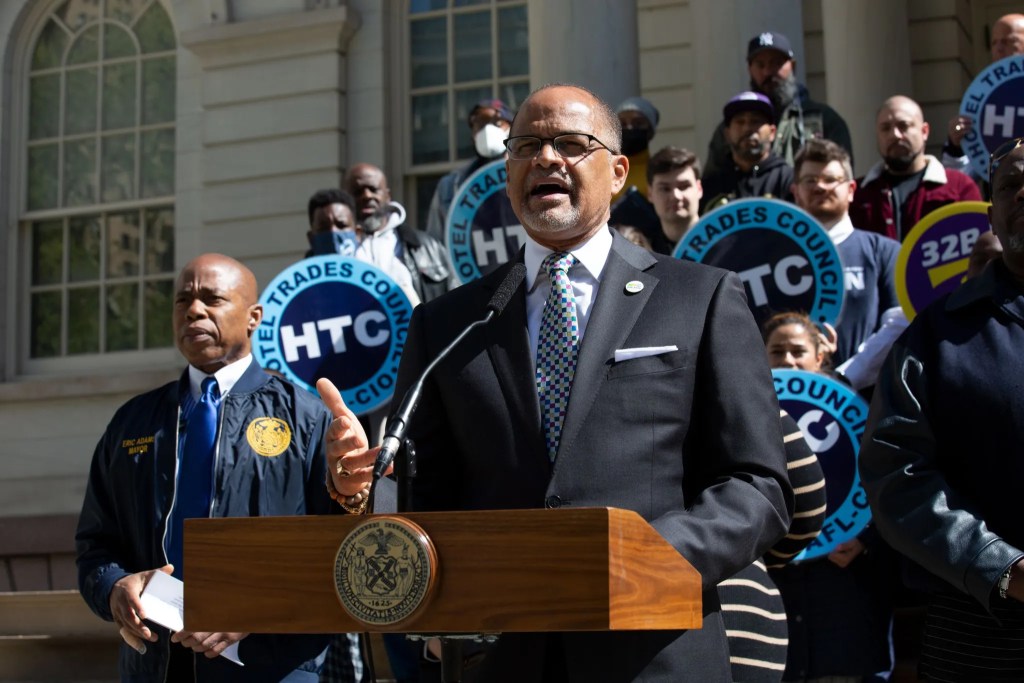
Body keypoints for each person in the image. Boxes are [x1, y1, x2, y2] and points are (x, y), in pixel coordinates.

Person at [321, 82, 793, 682]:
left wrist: (647, 558)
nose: (545, 158)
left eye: (570, 144)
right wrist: (368, 492)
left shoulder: (700, 297)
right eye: (526, 146)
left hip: (654, 651)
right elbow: (428, 493)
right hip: (500, 657)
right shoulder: (449, 322)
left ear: (617, 172)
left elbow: (757, 484)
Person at [75, 253, 359, 682]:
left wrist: (260, 608)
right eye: (183, 300)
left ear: (253, 317)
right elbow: (96, 545)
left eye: (212, 299)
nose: (193, 310)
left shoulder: (308, 418)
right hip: (154, 665)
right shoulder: (133, 422)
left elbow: (344, 552)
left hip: (271, 668)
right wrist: (113, 587)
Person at [859, 138, 1024, 681]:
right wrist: (1002, 567)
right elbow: (895, 472)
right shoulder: (936, 334)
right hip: (979, 632)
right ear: (992, 215)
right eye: (1011, 186)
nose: (1023, 194)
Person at [761, 311, 898, 682]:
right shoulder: (746, 412)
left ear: (819, 355)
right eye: (777, 352)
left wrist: (865, 539)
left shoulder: (860, 412)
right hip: (780, 590)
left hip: (842, 598)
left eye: (797, 351)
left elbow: (892, 486)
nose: (788, 360)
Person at [791, 139, 901, 371]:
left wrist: (846, 377)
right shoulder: (778, 256)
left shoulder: (885, 251)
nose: (820, 187)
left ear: (851, 190)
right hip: (790, 390)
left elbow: (897, 326)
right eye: (810, 180)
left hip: (864, 391)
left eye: (830, 179)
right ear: (796, 192)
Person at [704, 31, 853, 176]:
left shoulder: (823, 119)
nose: (767, 72)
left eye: (776, 63)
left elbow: (842, 178)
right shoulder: (733, 127)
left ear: (792, 66)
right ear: (749, 69)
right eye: (760, 65)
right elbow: (711, 182)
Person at [849, 95, 981, 242]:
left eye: (903, 126)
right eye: (885, 128)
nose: (894, 135)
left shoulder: (959, 187)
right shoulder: (856, 195)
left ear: (924, 131)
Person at [344, 163, 458, 306]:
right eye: (357, 191)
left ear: (388, 195)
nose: (367, 196)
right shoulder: (334, 250)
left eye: (373, 189)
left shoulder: (429, 248)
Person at [942, 14, 1024, 177]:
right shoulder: (984, 101)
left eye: (1008, 41)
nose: (999, 48)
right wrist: (956, 145)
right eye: (994, 43)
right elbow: (960, 176)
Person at [425, 99, 514, 244]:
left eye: (497, 122)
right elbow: (436, 243)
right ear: (472, 134)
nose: (487, 130)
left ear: (512, 128)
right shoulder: (450, 186)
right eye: (479, 123)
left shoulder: (529, 174)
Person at [701, 91, 794, 213]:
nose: (747, 128)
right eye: (740, 122)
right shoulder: (711, 185)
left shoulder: (789, 180)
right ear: (727, 134)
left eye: (755, 121)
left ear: (772, 133)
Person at [609, 96, 666, 253]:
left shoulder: (658, 169)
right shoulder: (605, 170)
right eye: (622, 123)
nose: (629, 127)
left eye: (638, 123)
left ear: (650, 130)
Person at [646, 146, 704, 250]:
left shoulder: (725, 244)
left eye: (684, 186)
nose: (675, 196)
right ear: (650, 194)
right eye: (665, 189)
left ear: (699, 189)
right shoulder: (642, 252)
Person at [305, 188, 359, 258]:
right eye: (324, 228)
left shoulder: (370, 263)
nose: (333, 231)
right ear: (311, 239)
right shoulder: (299, 266)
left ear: (358, 234)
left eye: (341, 225)